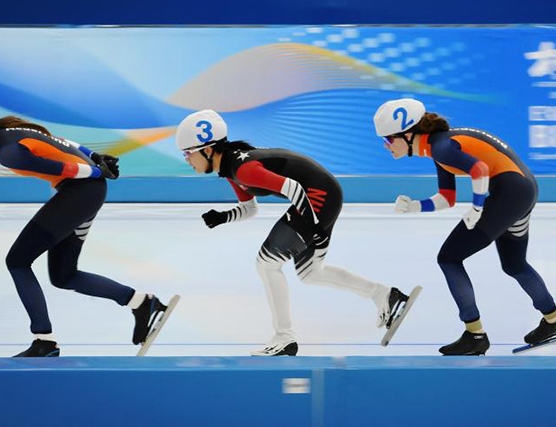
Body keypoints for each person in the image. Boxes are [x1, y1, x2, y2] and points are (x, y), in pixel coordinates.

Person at [0, 91, 176, 357]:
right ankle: (141, 303)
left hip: (80, 192)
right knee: (64, 275)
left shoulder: (8, 152)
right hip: (86, 192)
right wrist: (95, 156)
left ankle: (44, 341)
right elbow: (63, 142)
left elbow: (65, 169)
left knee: (17, 261)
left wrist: (97, 169)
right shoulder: (9, 133)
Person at [176, 109, 417, 356]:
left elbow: (294, 188)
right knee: (311, 272)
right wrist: (223, 217)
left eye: (188, 153)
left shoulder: (243, 169)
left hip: (317, 196)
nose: (187, 160)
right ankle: (385, 295)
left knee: (267, 263)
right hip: (323, 194)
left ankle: (284, 338)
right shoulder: (230, 168)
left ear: (208, 150)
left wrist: (315, 226)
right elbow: (250, 209)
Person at [373, 98, 556, 355]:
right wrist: (414, 206)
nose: (386, 145)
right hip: (522, 191)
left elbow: (479, 169)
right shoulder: (437, 147)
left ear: (408, 134)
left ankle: (475, 334)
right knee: (514, 264)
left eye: (389, 139)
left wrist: (477, 207)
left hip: (510, 193)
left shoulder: (442, 147)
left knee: (449, 258)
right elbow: (447, 198)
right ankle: (555, 320)